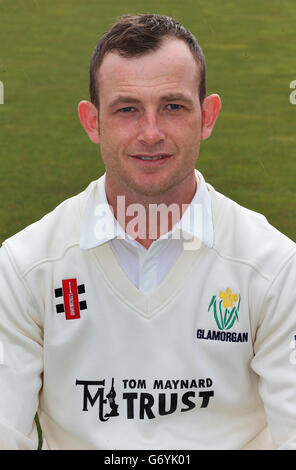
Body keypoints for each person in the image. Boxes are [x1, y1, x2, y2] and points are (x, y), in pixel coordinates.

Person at [0, 13, 295, 451]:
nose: (151, 133)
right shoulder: (25, 266)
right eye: (127, 109)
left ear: (207, 116)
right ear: (92, 121)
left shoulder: (274, 266)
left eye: (173, 106)